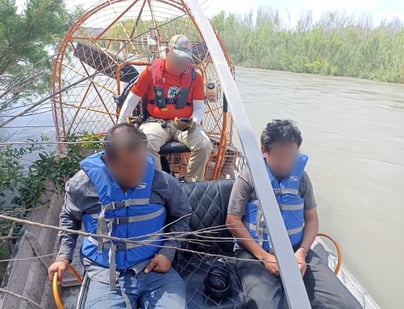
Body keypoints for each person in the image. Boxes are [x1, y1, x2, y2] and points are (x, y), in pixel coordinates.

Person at [48, 123, 191, 309]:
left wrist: (168, 252)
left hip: (154, 268)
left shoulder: (162, 182)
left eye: (140, 162)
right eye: (128, 166)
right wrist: (63, 256)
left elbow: (182, 216)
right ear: (109, 160)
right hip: (105, 274)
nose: (137, 172)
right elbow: (69, 218)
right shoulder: (81, 186)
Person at [226, 120, 362, 309]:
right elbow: (232, 221)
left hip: (296, 250)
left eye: (292, 156)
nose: (287, 163)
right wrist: (264, 257)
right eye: (281, 156)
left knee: (347, 305)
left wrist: (302, 252)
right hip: (255, 253)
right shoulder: (248, 177)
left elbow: (312, 220)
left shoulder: (302, 179)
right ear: (264, 151)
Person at [118, 34, 212, 182]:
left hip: (184, 125)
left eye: (186, 60)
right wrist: (120, 125)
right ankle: (161, 186)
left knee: (205, 145)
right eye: (179, 58)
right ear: (168, 52)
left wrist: (193, 121)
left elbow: (199, 107)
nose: (182, 63)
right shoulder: (150, 73)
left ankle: (192, 185)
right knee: (145, 143)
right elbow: (132, 100)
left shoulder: (196, 77)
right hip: (156, 123)